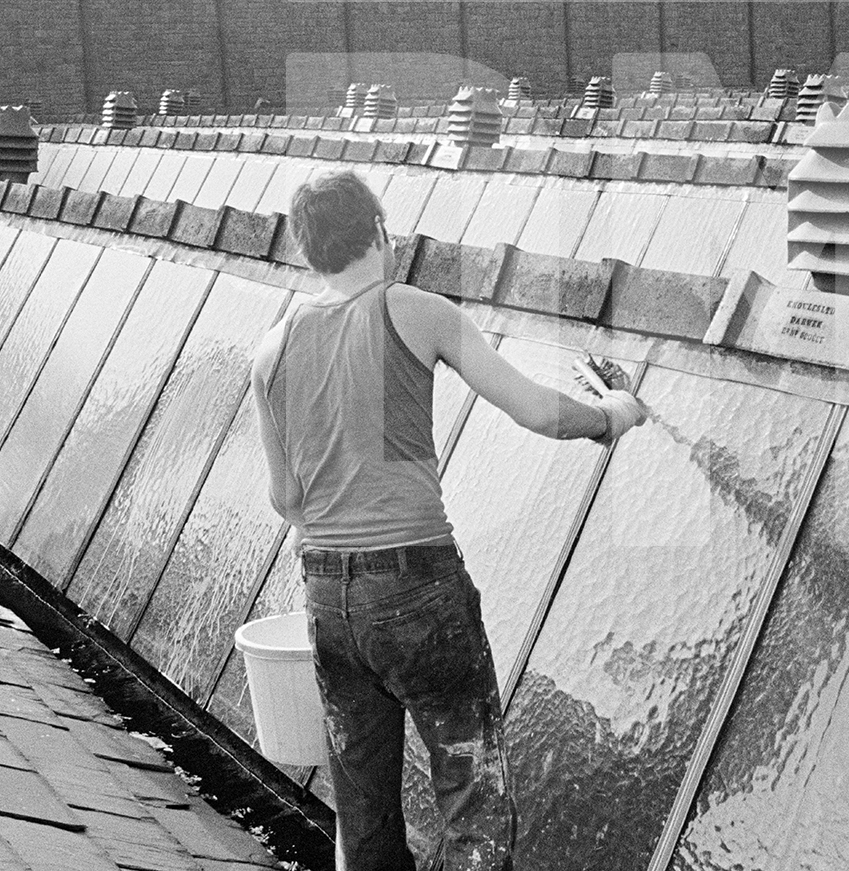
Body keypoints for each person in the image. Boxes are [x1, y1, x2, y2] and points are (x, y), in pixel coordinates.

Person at [250, 169, 648, 871]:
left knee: (364, 816)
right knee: (474, 801)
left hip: (327, 601)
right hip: (417, 591)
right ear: (380, 232)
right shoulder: (413, 310)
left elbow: (285, 501)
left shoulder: (272, 350)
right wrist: (612, 415)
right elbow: (540, 413)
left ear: (308, 253)